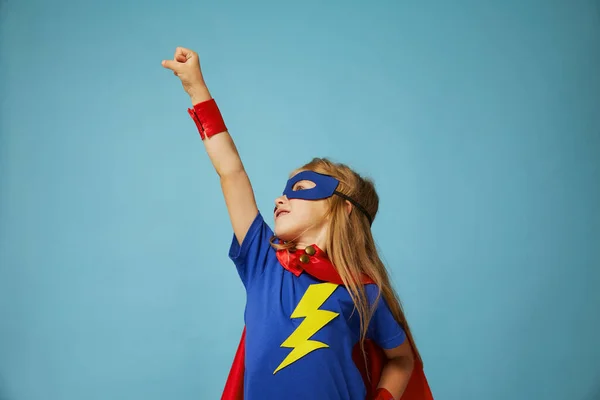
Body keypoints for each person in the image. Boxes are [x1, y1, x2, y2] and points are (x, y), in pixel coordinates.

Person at [162, 47, 433, 400]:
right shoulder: (262, 260)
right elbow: (231, 171)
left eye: (300, 188)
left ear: (342, 208)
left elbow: (401, 360)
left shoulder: (363, 291)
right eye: (284, 190)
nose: (280, 198)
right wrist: (197, 88)